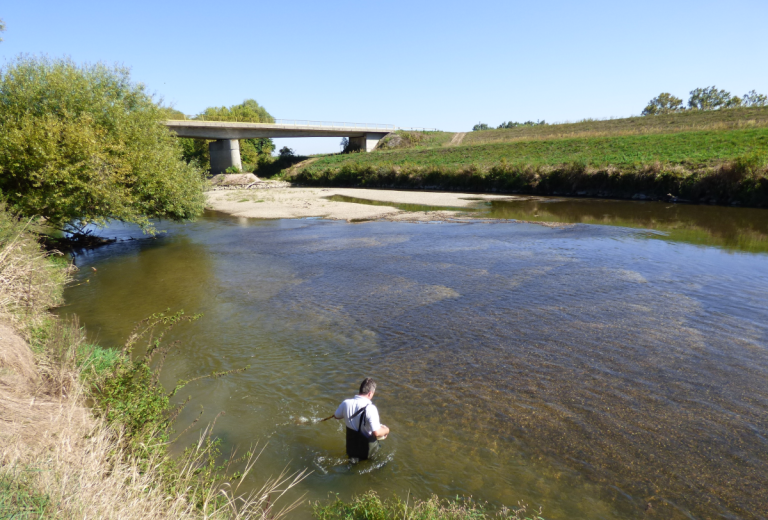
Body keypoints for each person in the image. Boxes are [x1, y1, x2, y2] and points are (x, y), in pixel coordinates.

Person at [334, 378, 390, 460]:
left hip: (351, 448)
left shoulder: (346, 403)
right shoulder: (371, 408)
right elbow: (376, 432)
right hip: (366, 451)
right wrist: (386, 430)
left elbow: (336, 416)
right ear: (370, 393)